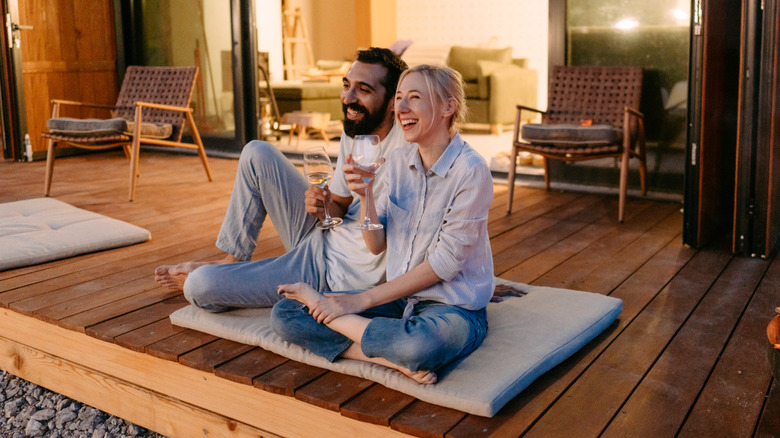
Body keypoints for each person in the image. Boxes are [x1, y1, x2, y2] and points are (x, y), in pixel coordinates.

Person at [271, 65, 494, 385]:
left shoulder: (471, 171)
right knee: (285, 314)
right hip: (401, 300)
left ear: (448, 107)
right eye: (399, 98)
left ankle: (397, 350)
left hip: (452, 308)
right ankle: (396, 361)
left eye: (414, 98)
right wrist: (367, 199)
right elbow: (377, 243)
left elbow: (443, 265)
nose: (400, 108)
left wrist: (358, 301)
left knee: (421, 345)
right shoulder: (400, 161)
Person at [154, 48, 408, 309]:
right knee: (256, 152)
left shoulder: (411, 149)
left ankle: (236, 276)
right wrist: (323, 205)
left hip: (328, 273)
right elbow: (340, 204)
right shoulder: (356, 128)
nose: (348, 98)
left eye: (363, 89)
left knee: (200, 285)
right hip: (323, 234)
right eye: (346, 85)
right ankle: (233, 260)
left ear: (393, 102)